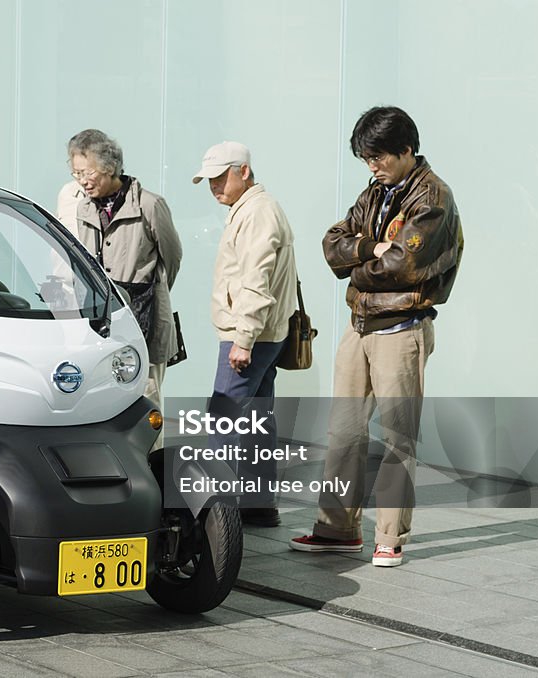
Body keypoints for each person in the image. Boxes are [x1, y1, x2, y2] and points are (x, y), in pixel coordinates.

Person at [290, 106, 464, 567]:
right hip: (360, 325)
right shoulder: (374, 192)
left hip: (403, 329)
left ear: (406, 150)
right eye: (367, 157)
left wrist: (360, 269)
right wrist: (371, 247)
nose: (372, 165)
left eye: (379, 156)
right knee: (343, 431)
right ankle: (337, 528)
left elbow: (405, 265)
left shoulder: (434, 198)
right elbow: (332, 243)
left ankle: (391, 536)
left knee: (396, 438)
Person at [192, 141, 299, 527]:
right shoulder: (254, 209)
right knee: (257, 419)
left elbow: (256, 281)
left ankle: (214, 519)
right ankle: (258, 504)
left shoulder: (256, 213)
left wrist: (243, 338)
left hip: (250, 335)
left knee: (223, 422)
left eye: (221, 176)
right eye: (209, 179)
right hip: (264, 333)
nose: (214, 186)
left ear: (244, 172)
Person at [67, 129, 182, 413]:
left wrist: (153, 291)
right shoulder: (84, 207)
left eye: (87, 173)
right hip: (103, 317)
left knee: (146, 396)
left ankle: (151, 458)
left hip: (145, 313)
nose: (82, 181)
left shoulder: (149, 205)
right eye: (76, 174)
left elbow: (173, 257)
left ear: (109, 167)